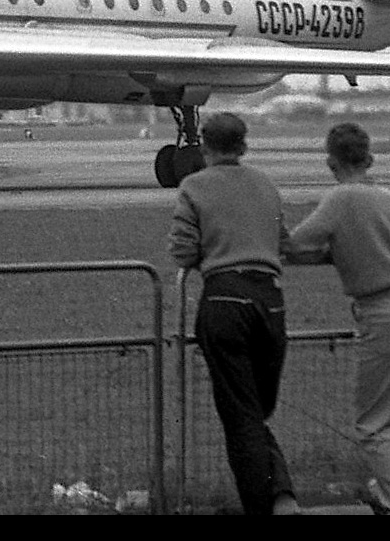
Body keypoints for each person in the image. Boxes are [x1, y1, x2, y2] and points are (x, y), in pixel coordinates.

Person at [285, 122, 390, 515]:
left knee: (371, 426)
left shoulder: (339, 200)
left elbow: (293, 244)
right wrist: (389, 255)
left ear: (330, 162)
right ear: (370, 159)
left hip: (383, 314)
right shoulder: (388, 197)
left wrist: (337, 254)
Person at [168, 112, 300, 515]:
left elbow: (183, 251)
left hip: (224, 301)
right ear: (244, 146)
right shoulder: (266, 184)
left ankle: (269, 503)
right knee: (257, 411)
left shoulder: (193, 186)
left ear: (205, 148)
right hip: (270, 302)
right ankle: (282, 497)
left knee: (241, 417)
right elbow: (282, 242)